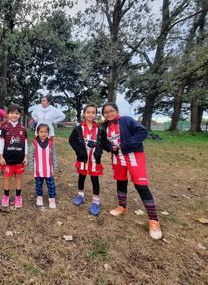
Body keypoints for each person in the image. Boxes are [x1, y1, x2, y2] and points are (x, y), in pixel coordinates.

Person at [102, 102, 162, 240]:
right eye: (106, 112)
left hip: (134, 156)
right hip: (118, 159)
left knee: (141, 186)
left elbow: (142, 132)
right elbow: (105, 142)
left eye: (111, 111)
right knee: (121, 181)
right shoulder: (105, 126)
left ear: (117, 111)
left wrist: (125, 145)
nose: (109, 113)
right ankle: (122, 206)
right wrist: (111, 148)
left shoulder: (126, 120)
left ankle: (154, 220)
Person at [69, 103, 112, 216]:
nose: (90, 115)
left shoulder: (100, 129)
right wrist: (79, 151)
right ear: (84, 114)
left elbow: (105, 142)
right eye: (88, 112)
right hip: (83, 159)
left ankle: (95, 202)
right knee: (81, 177)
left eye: (93, 113)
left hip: (94, 160)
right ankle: (80, 195)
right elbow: (71, 141)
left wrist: (111, 148)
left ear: (96, 115)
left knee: (94, 180)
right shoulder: (78, 128)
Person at [0, 104, 28, 208]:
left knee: (18, 177)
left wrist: (26, 156)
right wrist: (1, 156)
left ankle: (18, 197)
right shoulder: (4, 128)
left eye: (16, 113)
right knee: (7, 177)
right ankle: (6, 196)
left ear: (20, 115)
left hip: (19, 158)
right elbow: (1, 143)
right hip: (7, 159)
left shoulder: (23, 128)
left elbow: (25, 143)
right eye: (11, 113)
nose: (14, 115)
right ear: (7, 114)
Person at [28, 124, 58, 209]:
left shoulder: (51, 143)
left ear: (48, 133)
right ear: (37, 133)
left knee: (51, 185)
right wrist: (30, 167)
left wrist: (55, 165)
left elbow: (54, 155)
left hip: (48, 170)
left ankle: (52, 198)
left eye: (45, 132)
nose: (43, 134)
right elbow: (31, 155)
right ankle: (39, 197)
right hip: (38, 169)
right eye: (41, 132)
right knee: (38, 184)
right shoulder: (34, 143)